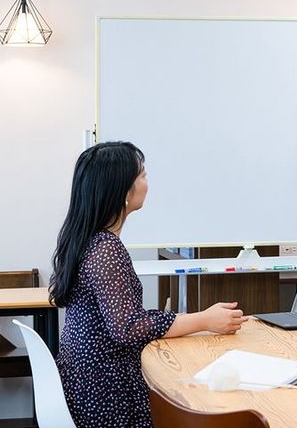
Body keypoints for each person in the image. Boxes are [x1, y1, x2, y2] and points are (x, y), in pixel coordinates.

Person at [49, 142, 248, 428]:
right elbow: (128, 328)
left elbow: (125, 318)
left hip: (85, 383)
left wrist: (195, 319)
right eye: (142, 174)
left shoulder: (88, 240)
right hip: (106, 394)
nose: (147, 181)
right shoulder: (106, 250)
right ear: (123, 191)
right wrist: (204, 320)